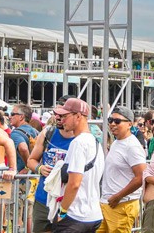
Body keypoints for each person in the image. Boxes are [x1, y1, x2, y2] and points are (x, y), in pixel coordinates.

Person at [51, 98, 104, 233]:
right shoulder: (95, 141)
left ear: (78, 116)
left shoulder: (79, 143)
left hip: (76, 215)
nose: (61, 120)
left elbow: (74, 183)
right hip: (93, 214)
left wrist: (62, 211)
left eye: (65, 116)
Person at [27, 106, 76, 233]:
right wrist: (39, 168)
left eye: (63, 115)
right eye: (56, 114)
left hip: (69, 202)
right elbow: (31, 160)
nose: (58, 118)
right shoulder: (47, 133)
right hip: (44, 199)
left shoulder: (81, 139)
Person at [99, 106, 146, 233]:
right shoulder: (116, 142)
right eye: (110, 120)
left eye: (117, 121)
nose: (112, 124)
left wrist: (118, 196)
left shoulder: (132, 146)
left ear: (129, 124)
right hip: (107, 203)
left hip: (122, 205)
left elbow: (141, 176)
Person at [9, 104, 38, 176]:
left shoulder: (15, 133)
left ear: (21, 117)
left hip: (21, 178)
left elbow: (23, 148)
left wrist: (28, 166)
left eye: (12, 114)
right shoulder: (35, 131)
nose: (10, 117)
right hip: (34, 176)